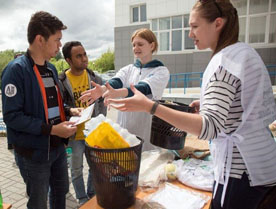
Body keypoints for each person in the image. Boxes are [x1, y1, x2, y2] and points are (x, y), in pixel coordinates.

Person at [107, 1, 276, 209]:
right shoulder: (242, 53)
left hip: (241, 170)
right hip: (261, 162)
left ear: (218, 23)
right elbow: (240, 106)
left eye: (194, 26)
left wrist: (150, 107)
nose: (189, 34)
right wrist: (207, 103)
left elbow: (208, 127)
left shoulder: (224, 62)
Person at [1, 11, 79, 209]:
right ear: (40, 40)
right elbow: (12, 117)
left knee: (60, 193)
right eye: (57, 40)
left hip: (57, 148)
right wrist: (52, 130)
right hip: (34, 154)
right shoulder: (16, 71)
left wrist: (69, 111)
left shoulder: (51, 69)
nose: (60, 45)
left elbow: (51, 105)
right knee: (38, 203)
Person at [80, 28, 170, 151]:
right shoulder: (128, 69)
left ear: (152, 45)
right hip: (126, 127)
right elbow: (116, 81)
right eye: (133, 45)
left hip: (146, 127)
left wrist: (117, 93)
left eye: (140, 44)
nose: (136, 48)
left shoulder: (161, 71)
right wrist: (102, 89)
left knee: (146, 160)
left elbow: (144, 88)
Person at [59, 41, 107, 206]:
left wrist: (101, 124)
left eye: (84, 54)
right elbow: (60, 107)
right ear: (68, 60)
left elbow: (102, 105)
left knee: (96, 167)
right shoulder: (61, 81)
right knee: (76, 169)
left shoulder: (95, 78)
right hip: (74, 135)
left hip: (93, 133)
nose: (84, 58)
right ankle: (82, 199)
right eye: (78, 56)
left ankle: (92, 194)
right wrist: (70, 112)